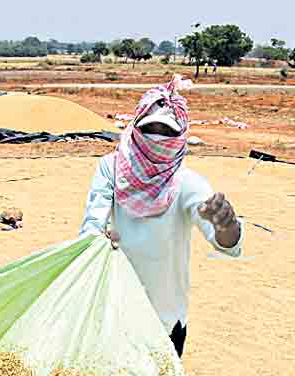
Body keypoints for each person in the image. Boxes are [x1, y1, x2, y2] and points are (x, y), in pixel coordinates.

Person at [80, 77, 242, 358]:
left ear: (179, 137)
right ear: (135, 128)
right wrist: (98, 239)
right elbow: (92, 227)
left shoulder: (187, 183)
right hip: (114, 311)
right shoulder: (111, 169)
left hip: (165, 319)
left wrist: (227, 225)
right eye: (149, 129)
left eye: (166, 132)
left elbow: (226, 243)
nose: (156, 139)